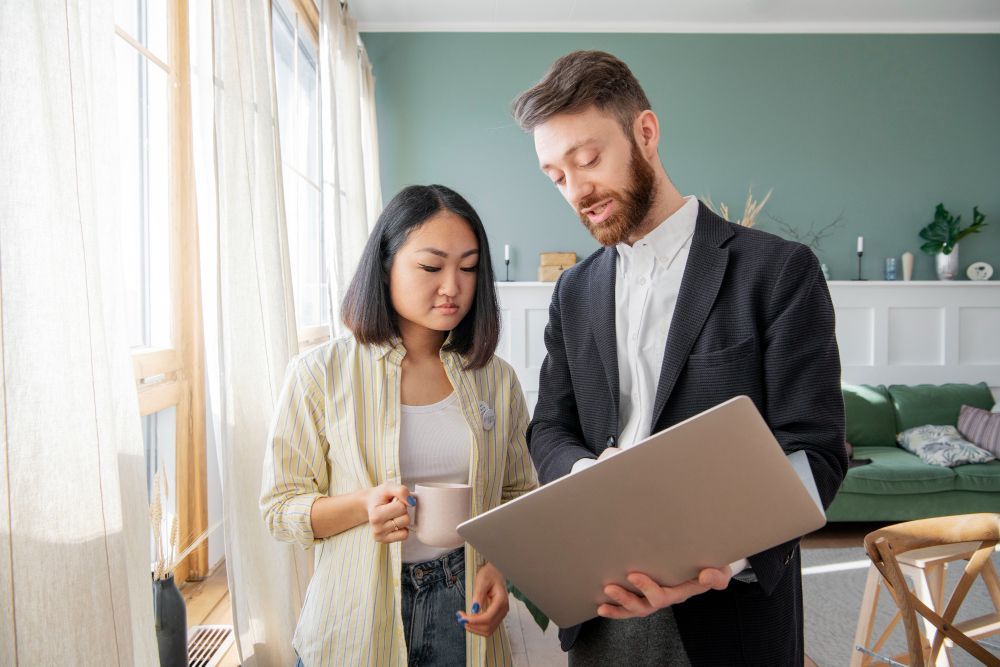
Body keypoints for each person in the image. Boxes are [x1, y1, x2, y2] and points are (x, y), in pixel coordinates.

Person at [512, 51, 847, 666]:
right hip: (601, 605)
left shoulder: (777, 272)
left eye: (588, 160)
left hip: (729, 606)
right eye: (556, 176)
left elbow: (815, 452)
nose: (577, 190)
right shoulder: (572, 290)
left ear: (645, 132)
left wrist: (723, 557)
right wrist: (588, 479)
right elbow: (551, 429)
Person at [260, 184, 538, 667]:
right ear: (385, 264)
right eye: (431, 267)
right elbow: (280, 508)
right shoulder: (318, 374)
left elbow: (517, 494)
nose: (453, 286)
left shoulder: (496, 379)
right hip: (354, 616)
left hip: (462, 604)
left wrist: (499, 565)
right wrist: (362, 505)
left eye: (469, 268)